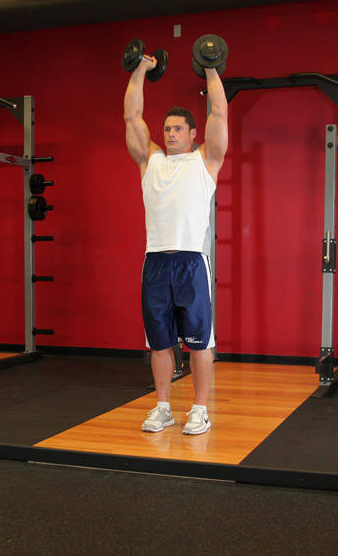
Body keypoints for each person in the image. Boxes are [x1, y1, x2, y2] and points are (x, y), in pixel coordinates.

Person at [123, 51, 228, 435]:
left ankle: (199, 410)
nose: (170, 134)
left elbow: (219, 114)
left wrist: (211, 66)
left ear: (192, 133)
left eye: (177, 129)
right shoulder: (150, 162)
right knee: (159, 342)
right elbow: (132, 117)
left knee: (200, 342)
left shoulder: (206, 161)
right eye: (166, 129)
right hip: (155, 264)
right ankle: (163, 406)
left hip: (191, 264)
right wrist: (140, 69)